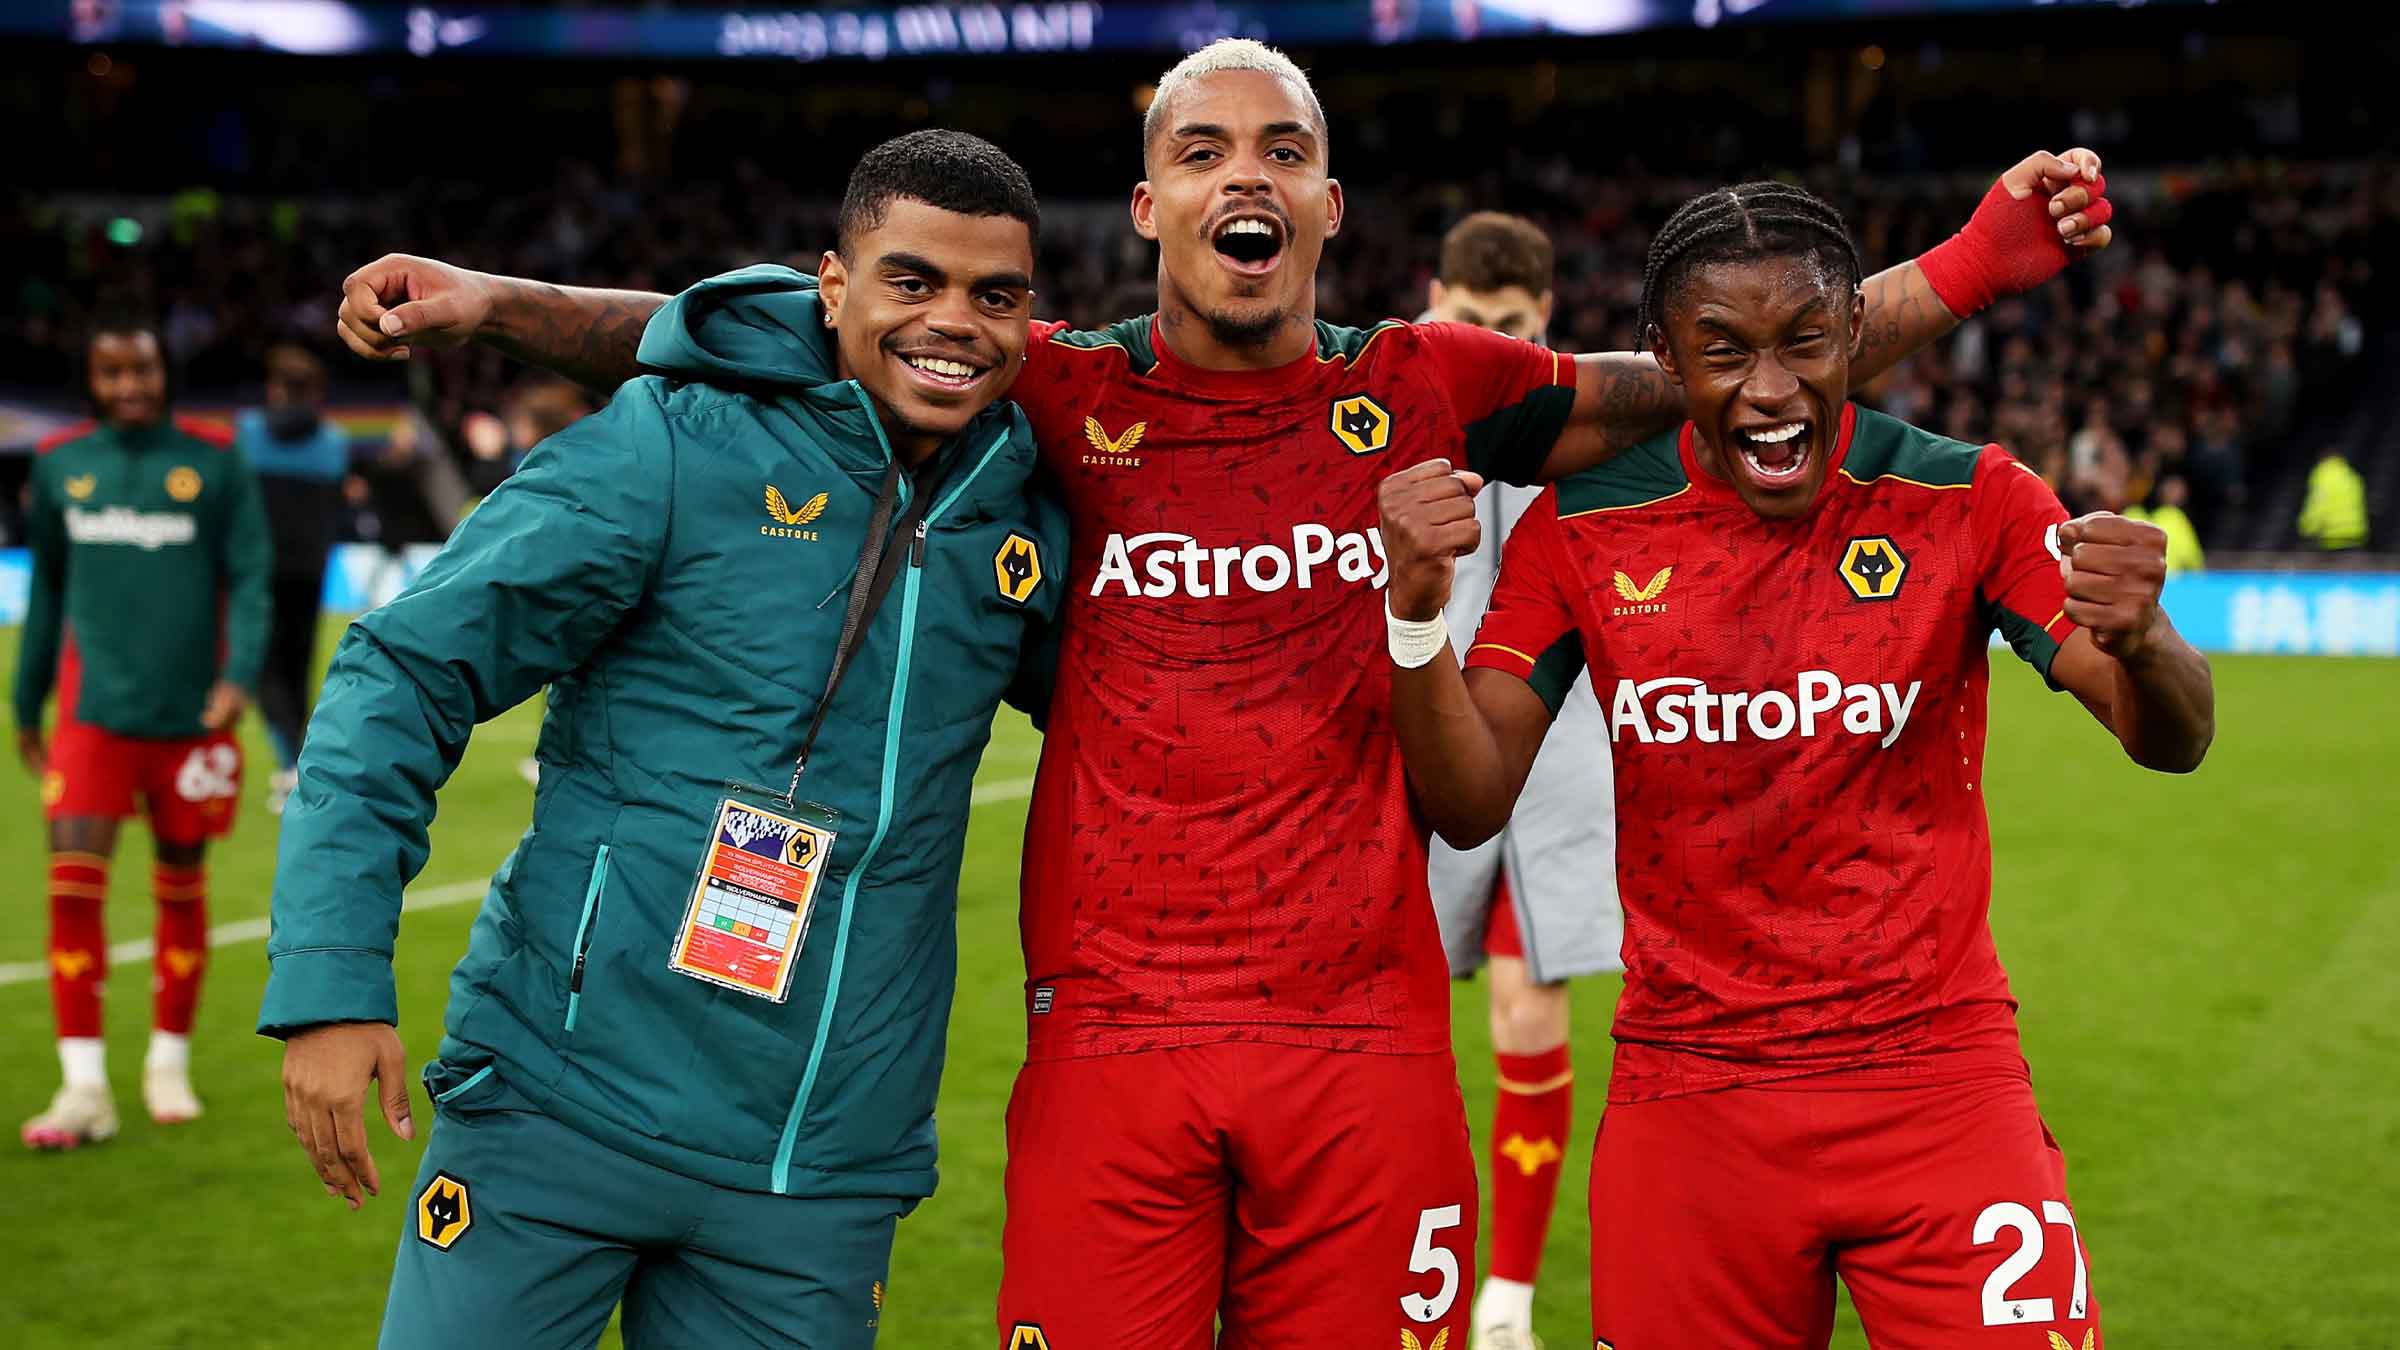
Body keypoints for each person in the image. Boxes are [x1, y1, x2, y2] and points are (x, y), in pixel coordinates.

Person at [327, 39, 2115, 1347]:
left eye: (1282, 148)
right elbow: (806, 324)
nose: (1243, 175)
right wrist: (493, 303)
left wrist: (1972, 265)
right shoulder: (1057, 389)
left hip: (1361, 1037)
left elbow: (1723, 375)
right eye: (1202, 149)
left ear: (1329, 203)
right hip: (1115, 1034)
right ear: (1152, 206)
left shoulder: (1429, 382)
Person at [262, 131, 1066, 1349]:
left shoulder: (1025, 510)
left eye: (994, 296)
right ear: (833, 286)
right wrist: (330, 982)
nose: (954, 322)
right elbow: (407, 671)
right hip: (558, 1109)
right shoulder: (676, 448)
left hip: (817, 1174)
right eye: (912, 281)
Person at [1377, 181, 2212, 1349]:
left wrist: (2148, 641)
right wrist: (1415, 620)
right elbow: (1468, 804)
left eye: (1806, 342)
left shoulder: (1968, 496)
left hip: (1936, 1079)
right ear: (1665, 357)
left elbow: (2167, 735)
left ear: (1856, 332)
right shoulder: (1582, 526)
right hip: (1693, 1095)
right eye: (1724, 352)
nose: (1770, 392)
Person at [1420, 209, 1617, 1350]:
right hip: (1415, 759)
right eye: (1468, 320)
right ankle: (1396, 1268)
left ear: (1543, 319)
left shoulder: (1590, 419)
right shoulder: (1381, 411)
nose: (1490, 342)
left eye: (1511, 325)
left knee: (1526, 1014)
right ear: (1431, 302)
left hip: (1554, 770)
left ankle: (1505, 1301)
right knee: (1390, 1023)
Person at [14, 311, 270, 1146]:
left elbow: (252, 576)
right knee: (71, 893)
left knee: (180, 889)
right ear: (92, 380)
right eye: (112, 372)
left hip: (190, 722)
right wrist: (25, 699)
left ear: (165, 373)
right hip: (93, 720)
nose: (129, 386)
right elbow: (47, 591)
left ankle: (168, 1061)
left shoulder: (215, 459)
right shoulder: (61, 464)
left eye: (142, 370)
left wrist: (238, 678)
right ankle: (82, 1087)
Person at [233, 344, 354, 814]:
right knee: (299, 665)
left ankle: (290, 761)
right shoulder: (334, 442)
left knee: (265, 669)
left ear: (274, 388)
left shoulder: (248, 434)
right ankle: (301, 760)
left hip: (260, 568)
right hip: (310, 567)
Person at [2124, 473, 2205, 574]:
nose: (2177, 493)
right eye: (2171, 487)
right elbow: (2195, 563)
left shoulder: (2130, 514)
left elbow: (2193, 561)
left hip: (2142, 580)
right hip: (2167, 580)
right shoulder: (2174, 517)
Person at [2297, 446, 2369, 550]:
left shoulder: (2323, 474)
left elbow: (2318, 504)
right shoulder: (2352, 475)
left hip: (2331, 535)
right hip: (2355, 534)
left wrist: (2307, 529)